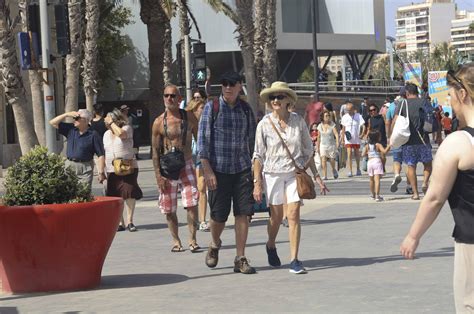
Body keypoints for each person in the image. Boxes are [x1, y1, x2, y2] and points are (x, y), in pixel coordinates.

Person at [400, 63, 474, 313]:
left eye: (451, 96)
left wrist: (413, 235)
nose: (451, 104)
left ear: (463, 95)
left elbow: (434, 198)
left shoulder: (459, 143)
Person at [253, 81, 328, 274]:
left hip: (294, 173)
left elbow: (308, 150)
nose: (276, 100)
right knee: (276, 217)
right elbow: (258, 155)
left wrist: (317, 175)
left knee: (293, 214)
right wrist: (257, 183)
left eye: (280, 96)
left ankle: (294, 259)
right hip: (272, 174)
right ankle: (270, 244)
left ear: (288, 99)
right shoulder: (264, 124)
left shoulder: (298, 121)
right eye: (273, 97)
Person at [198, 71, 257, 274]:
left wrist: (255, 172)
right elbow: (202, 143)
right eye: (225, 83)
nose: (228, 87)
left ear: (240, 86)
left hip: (241, 169)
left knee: (243, 214)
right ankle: (214, 243)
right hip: (218, 170)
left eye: (232, 83)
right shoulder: (211, 108)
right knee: (218, 217)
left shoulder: (246, 110)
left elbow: (252, 143)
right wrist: (208, 171)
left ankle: (240, 257)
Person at [152, 84, 200, 253]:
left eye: (173, 96)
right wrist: (158, 175)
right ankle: (176, 241)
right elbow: (155, 151)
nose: (169, 99)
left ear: (179, 98)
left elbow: (200, 139)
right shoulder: (158, 122)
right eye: (166, 95)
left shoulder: (189, 118)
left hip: (186, 163)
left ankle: (192, 239)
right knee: (169, 207)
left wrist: (204, 162)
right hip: (168, 167)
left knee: (192, 202)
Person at [103, 108, 143, 232]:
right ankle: (120, 222)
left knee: (129, 192)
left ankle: (130, 221)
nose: (107, 122)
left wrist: (111, 123)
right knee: (116, 195)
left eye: (110, 120)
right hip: (111, 168)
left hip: (127, 166)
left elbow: (121, 134)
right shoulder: (106, 134)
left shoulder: (127, 129)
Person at [392, 82, 433, 200]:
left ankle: (415, 193)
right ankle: (425, 182)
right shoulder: (425, 101)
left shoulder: (402, 103)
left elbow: (395, 121)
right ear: (417, 92)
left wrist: (391, 136)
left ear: (407, 93)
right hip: (423, 140)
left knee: (411, 166)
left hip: (408, 141)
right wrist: (438, 136)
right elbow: (432, 118)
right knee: (428, 164)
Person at [49, 109, 105, 190]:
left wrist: (101, 172)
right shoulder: (71, 129)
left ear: (85, 121)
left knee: (83, 193)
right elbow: (52, 122)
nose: (74, 120)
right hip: (70, 166)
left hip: (85, 168)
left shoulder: (93, 134)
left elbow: (101, 155)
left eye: (77, 118)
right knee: (68, 194)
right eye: (74, 118)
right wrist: (67, 114)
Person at [185, 98, 209, 232]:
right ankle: (194, 218)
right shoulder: (187, 124)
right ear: (194, 110)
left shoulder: (206, 123)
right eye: (201, 108)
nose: (204, 111)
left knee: (201, 187)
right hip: (188, 158)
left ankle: (203, 220)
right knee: (193, 189)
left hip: (201, 157)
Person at [386, 92, 413, 195]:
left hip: (396, 136)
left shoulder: (392, 106)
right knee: (408, 163)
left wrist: (389, 136)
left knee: (397, 160)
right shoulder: (410, 104)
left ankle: (397, 174)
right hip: (407, 137)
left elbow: (388, 122)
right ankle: (409, 186)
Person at [362, 130, 391, 202]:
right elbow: (384, 152)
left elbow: (362, 154)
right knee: (377, 180)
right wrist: (389, 146)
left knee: (371, 180)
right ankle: (377, 196)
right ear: (377, 137)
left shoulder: (367, 146)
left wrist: (367, 153)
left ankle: (373, 194)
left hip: (370, 162)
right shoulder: (378, 145)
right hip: (377, 162)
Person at [341, 101, 365, 177]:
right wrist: (342, 138)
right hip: (348, 139)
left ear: (353, 109)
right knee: (349, 154)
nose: (348, 111)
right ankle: (350, 170)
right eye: (347, 110)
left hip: (356, 138)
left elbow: (363, 126)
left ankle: (358, 169)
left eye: (349, 109)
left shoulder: (358, 116)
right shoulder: (345, 117)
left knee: (357, 154)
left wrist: (362, 134)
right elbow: (343, 128)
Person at [318, 110, 339, 180]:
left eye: (328, 116)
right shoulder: (320, 126)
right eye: (326, 116)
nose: (328, 117)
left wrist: (337, 142)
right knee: (323, 159)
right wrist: (317, 147)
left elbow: (336, 134)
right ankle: (325, 175)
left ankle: (333, 169)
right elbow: (318, 137)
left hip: (331, 145)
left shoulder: (332, 124)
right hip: (323, 145)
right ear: (323, 117)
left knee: (332, 160)